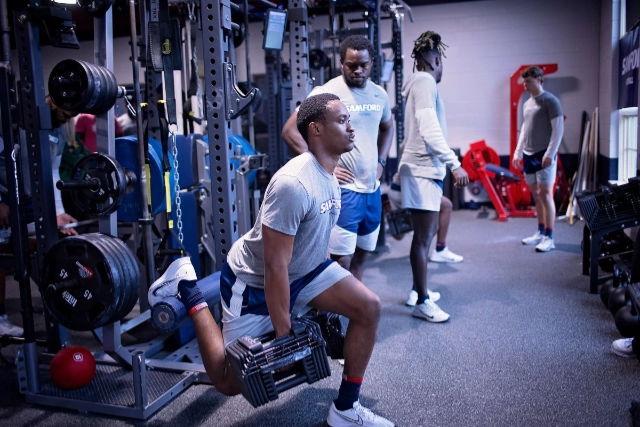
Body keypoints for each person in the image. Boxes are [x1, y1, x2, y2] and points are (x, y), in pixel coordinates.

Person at [149, 94, 394, 427]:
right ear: (317, 129)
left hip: (305, 271)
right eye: (342, 121)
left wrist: (318, 302)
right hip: (252, 282)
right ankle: (187, 288)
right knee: (227, 380)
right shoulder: (293, 185)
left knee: (368, 307)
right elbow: (274, 266)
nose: (352, 128)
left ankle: (346, 409)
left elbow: (315, 242)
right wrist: (284, 337)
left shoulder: (333, 175)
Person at [282, 35, 394, 282]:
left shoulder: (380, 95)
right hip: (344, 190)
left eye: (363, 65)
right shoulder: (327, 93)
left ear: (371, 62)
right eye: (351, 65)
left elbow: (388, 127)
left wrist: (382, 161)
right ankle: (333, 312)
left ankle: (352, 309)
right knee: (340, 259)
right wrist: (322, 167)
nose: (357, 70)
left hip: (372, 190)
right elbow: (290, 131)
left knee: (363, 255)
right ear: (341, 62)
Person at [396, 31, 469, 323]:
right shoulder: (426, 82)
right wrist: (455, 163)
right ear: (436, 60)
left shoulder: (418, 83)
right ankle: (422, 302)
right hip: (423, 169)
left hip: (422, 169)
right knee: (423, 238)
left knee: (423, 237)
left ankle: (417, 290)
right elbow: (428, 126)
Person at [0, 96, 79, 337]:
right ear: (52, 102)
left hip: (28, 200)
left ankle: (58, 305)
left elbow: (52, 170)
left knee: (44, 243)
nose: (70, 117)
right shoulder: (12, 123)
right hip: (4, 197)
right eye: (67, 112)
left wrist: (57, 213)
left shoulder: (57, 132)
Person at [512, 66, 564, 253]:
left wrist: (550, 154)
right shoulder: (527, 103)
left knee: (546, 194)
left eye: (529, 81)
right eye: (524, 81)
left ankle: (550, 237)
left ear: (539, 80)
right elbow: (525, 130)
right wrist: (518, 152)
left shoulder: (550, 101)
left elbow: (558, 130)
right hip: (528, 154)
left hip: (544, 155)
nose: (525, 85)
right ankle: (540, 232)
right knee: (536, 196)